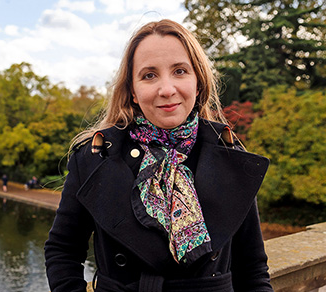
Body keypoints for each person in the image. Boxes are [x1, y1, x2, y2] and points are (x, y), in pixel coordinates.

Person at [44, 19, 273, 292]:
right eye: (149, 75)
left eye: (179, 71)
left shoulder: (231, 156)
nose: (166, 89)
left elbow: (253, 269)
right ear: (133, 92)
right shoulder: (94, 157)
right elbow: (62, 250)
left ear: (198, 82)